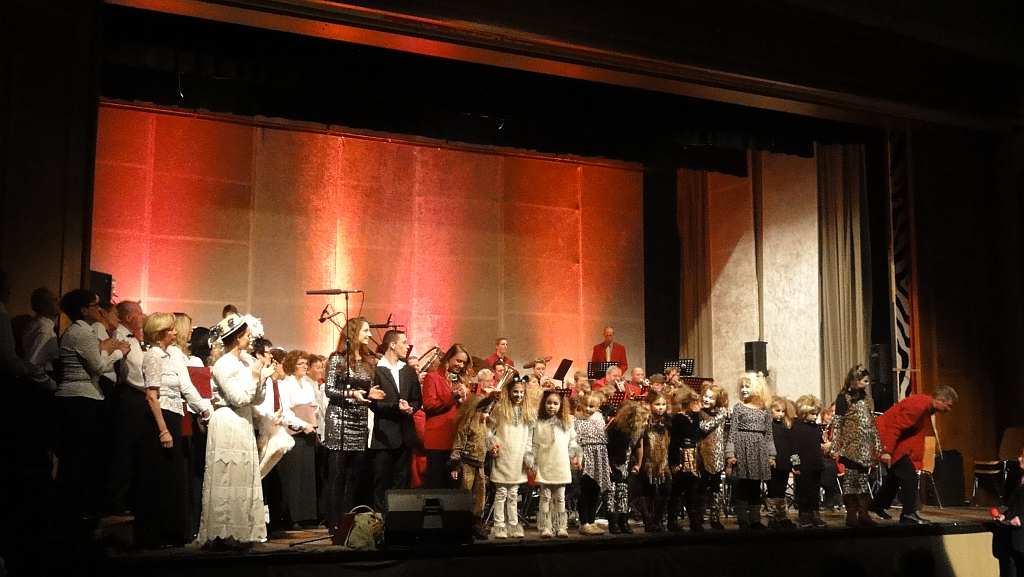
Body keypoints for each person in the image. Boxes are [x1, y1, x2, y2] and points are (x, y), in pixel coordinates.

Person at [197, 313, 273, 549]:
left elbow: (255, 399)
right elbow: (238, 398)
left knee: (243, 476)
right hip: (228, 420)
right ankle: (223, 532)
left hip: (243, 421)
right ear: (237, 338)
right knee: (227, 476)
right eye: (247, 335)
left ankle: (242, 532)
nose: (250, 339)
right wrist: (255, 378)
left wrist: (262, 379)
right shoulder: (224, 365)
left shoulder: (246, 362)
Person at [136, 312, 211, 548]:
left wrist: (204, 410)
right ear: (160, 333)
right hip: (161, 418)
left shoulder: (170, 355)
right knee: (159, 477)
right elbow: (151, 396)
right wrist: (163, 430)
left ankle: (171, 532)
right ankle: (155, 535)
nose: (175, 332)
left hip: (174, 415)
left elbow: (184, 387)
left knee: (173, 476)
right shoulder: (153, 356)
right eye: (170, 329)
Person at [53, 289, 129, 523]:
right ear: (84, 310)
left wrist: (106, 349)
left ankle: (74, 510)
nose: (101, 310)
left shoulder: (77, 331)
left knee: (77, 457)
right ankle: (76, 512)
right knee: (80, 457)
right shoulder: (82, 333)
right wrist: (117, 352)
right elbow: (98, 367)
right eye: (96, 306)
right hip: (80, 399)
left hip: (77, 398)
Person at [323, 317, 384, 533]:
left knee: (354, 477)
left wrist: (370, 394)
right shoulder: (337, 359)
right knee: (338, 475)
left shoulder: (369, 361)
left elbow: (368, 390)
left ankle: (348, 523)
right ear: (353, 333)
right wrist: (352, 394)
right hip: (339, 420)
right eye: (365, 331)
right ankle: (335, 524)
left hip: (359, 421)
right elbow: (330, 390)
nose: (369, 335)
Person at [870, 385, 958, 525]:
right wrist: (886, 451)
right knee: (909, 477)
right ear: (940, 400)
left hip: (894, 443)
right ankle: (908, 513)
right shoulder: (919, 405)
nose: (949, 410)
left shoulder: (926, 408)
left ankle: (876, 506)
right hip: (886, 439)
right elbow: (895, 426)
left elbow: (913, 436)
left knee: (895, 477)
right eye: (948, 405)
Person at [369, 330, 421, 512]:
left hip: (405, 434)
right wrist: (395, 407)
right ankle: (379, 519)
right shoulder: (377, 369)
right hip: (384, 435)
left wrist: (410, 408)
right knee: (382, 480)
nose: (407, 346)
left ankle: (400, 519)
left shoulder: (408, 370)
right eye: (404, 342)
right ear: (392, 345)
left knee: (402, 480)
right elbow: (373, 403)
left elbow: (417, 399)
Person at [830, 365, 884, 527]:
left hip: (865, 446)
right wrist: (835, 446)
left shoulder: (867, 398)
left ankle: (863, 513)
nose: (867, 384)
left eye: (867, 381)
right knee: (850, 480)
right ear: (854, 380)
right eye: (864, 381)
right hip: (851, 446)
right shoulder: (843, 398)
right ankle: (851, 514)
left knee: (863, 480)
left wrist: (877, 444)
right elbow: (838, 423)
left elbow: (872, 423)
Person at [725, 372, 776, 530]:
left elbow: (769, 434)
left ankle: (755, 519)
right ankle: (743, 519)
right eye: (742, 387)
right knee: (742, 486)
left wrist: (771, 455)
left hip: (759, 449)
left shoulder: (764, 410)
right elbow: (732, 432)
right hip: (742, 448)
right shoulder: (739, 407)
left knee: (755, 486)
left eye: (747, 386)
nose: (744, 389)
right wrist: (730, 453)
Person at [275, 350, 319, 528]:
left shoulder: (307, 384)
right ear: (292, 365)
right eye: (301, 364)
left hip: (309, 431)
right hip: (294, 431)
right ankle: (293, 517)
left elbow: (314, 406)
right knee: (294, 475)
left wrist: (311, 421)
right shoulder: (285, 384)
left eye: (306, 363)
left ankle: (307, 515)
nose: (305, 366)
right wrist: (303, 424)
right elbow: (286, 412)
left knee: (307, 474)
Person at [488, 380, 534, 539]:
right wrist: (493, 445)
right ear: (509, 392)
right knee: (501, 492)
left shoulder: (528, 412)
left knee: (513, 493)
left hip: (518, 457)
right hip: (503, 455)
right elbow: (489, 429)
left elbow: (530, 436)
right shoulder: (500, 409)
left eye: (521, 392)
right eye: (515, 392)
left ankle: (513, 525)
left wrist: (528, 454)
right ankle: (499, 525)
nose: (519, 395)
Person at [530, 389, 579, 538]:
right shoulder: (539, 422)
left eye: (555, 403)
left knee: (560, 497)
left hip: (561, 464)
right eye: (549, 403)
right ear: (544, 404)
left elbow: (573, 441)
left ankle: (561, 527)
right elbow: (535, 444)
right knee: (545, 497)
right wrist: (533, 462)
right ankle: (546, 527)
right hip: (545, 464)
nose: (552, 406)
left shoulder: (567, 422)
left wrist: (573, 456)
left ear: (561, 405)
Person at [421, 344, 470, 489]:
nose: (461, 365)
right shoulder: (432, 377)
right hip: (438, 440)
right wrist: (453, 397)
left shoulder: (460, 381)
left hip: (456, 441)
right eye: (458, 361)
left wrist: (465, 401)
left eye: (463, 363)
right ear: (448, 358)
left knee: (453, 487)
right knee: (436, 485)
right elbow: (429, 406)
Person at [449, 395, 495, 539]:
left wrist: (492, 449)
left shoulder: (485, 426)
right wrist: (455, 466)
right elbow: (458, 444)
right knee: (465, 494)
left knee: (480, 496)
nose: (486, 415)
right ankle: (462, 525)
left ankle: (476, 523)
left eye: (488, 411)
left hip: (479, 466)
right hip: (467, 465)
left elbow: (486, 442)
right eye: (484, 411)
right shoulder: (467, 425)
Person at [606, 400, 649, 534]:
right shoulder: (616, 427)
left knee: (624, 493)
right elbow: (607, 447)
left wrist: (638, 464)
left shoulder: (639, 429)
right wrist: (608, 465)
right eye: (642, 420)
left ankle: (623, 521)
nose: (645, 423)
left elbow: (639, 446)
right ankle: (613, 522)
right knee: (612, 493)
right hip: (613, 462)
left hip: (627, 463)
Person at [633, 390, 671, 532]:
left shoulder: (667, 421)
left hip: (663, 460)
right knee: (646, 490)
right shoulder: (645, 420)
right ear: (650, 404)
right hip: (647, 459)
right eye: (657, 404)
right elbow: (638, 441)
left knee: (666, 489)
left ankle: (657, 519)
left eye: (663, 404)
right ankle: (648, 520)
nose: (661, 407)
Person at [573, 392, 610, 536]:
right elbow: (575, 440)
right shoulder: (577, 420)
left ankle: (592, 520)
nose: (588, 409)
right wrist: (577, 457)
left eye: (592, 406)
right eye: (586, 405)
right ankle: (584, 523)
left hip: (599, 455)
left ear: (598, 406)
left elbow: (604, 437)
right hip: (585, 454)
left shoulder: (600, 418)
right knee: (585, 489)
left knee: (595, 489)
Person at [668, 387, 704, 532]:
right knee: (677, 490)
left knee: (692, 490)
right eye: (695, 402)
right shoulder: (679, 418)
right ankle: (672, 521)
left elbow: (696, 434)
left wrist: (695, 415)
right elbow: (675, 441)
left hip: (692, 456)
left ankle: (694, 521)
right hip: (682, 456)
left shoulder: (691, 417)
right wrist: (675, 462)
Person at [791, 394, 827, 528]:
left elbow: (820, 444)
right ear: (803, 412)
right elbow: (793, 448)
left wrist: (825, 447)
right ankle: (804, 515)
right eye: (812, 414)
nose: (815, 416)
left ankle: (815, 514)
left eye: (816, 414)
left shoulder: (815, 427)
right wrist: (795, 465)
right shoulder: (796, 427)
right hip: (802, 466)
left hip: (815, 464)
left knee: (814, 491)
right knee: (803, 491)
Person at [698, 381, 730, 530]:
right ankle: (698, 516)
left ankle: (715, 517)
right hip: (702, 456)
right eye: (705, 396)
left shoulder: (720, 413)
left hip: (717, 456)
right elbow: (704, 427)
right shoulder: (699, 413)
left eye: (711, 398)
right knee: (701, 487)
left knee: (716, 488)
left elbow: (724, 434)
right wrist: (720, 417)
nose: (706, 399)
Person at [766, 396, 796, 529]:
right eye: (777, 410)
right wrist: (768, 458)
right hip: (772, 463)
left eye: (783, 411)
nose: (781, 414)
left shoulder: (787, 426)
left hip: (785, 463)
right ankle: (772, 517)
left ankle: (782, 516)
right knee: (772, 490)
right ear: (771, 410)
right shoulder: (768, 426)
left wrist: (795, 464)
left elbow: (793, 447)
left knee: (781, 491)